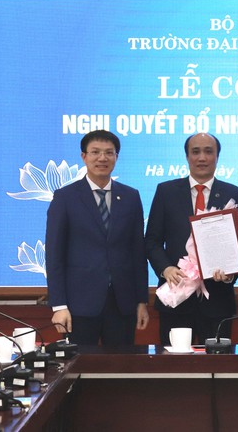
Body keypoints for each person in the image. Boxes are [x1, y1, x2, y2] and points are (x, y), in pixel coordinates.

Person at [46, 130, 149, 345]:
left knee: (122, 364)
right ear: (84, 156)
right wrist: (59, 305)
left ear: (116, 157)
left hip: (122, 303)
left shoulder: (131, 196)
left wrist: (141, 301)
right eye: (95, 152)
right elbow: (54, 255)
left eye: (109, 153)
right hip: (79, 305)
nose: (102, 158)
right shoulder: (65, 197)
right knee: (80, 364)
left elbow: (138, 252)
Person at [146, 133, 238, 345]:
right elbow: (152, 241)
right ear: (187, 156)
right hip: (176, 297)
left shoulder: (234, 193)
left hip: (218, 301)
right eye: (195, 152)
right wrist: (166, 268)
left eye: (208, 151)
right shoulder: (166, 191)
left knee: (217, 364)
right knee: (175, 363)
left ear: (217, 156)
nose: (202, 157)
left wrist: (229, 274)